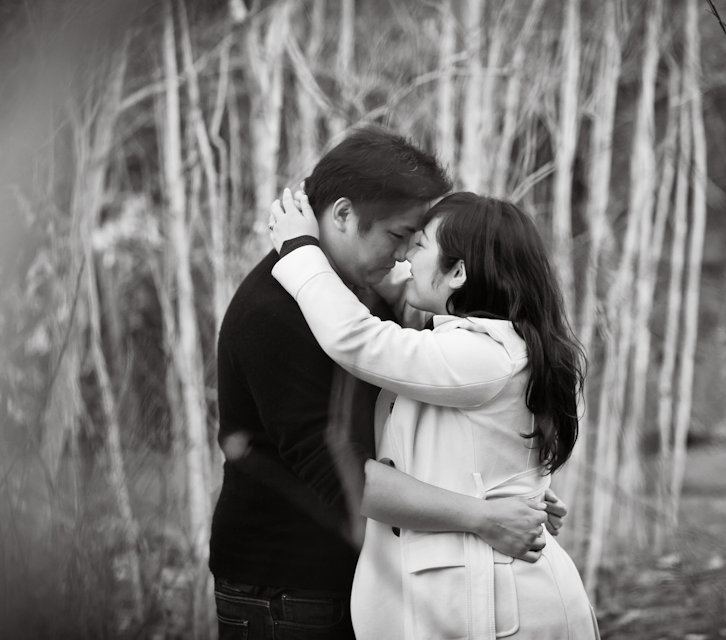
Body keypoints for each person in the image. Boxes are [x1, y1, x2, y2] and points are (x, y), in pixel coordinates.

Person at [210, 127, 562, 640]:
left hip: (349, 579)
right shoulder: (275, 312)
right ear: (344, 215)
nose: (404, 257)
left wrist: (507, 485)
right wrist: (483, 515)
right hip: (286, 590)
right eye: (400, 236)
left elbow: (417, 417)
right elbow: (342, 475)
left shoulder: (354, 297)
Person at [269, 188, 600, 639]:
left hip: (500, 608)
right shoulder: (503, 345)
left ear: (459, 271)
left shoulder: (483, 354)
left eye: (419, 244)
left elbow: (359, 340)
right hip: (488, 598)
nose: (405, 253)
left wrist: (300, 251)